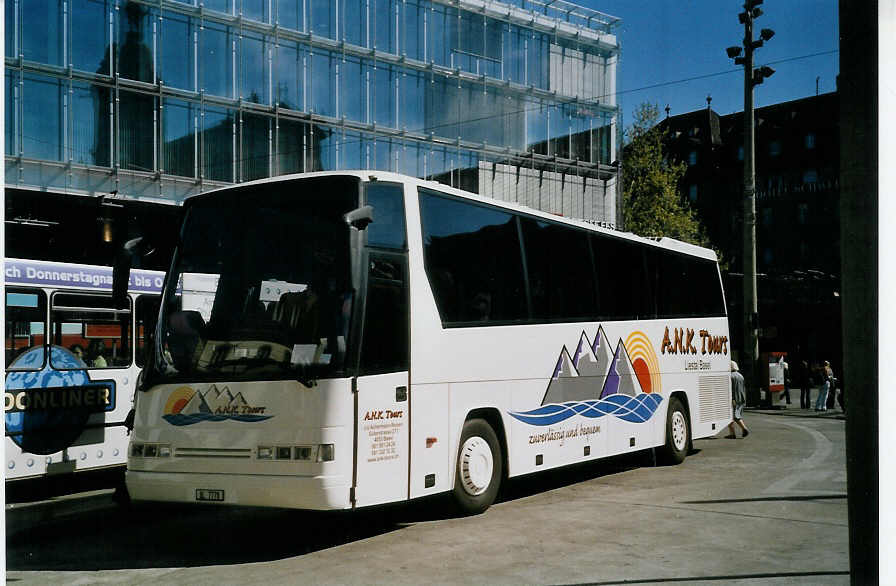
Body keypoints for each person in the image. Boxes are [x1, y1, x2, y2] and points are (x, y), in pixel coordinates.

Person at [725, 360, 750, 439]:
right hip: (741, 397)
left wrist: (732, 399)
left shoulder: (730, 376)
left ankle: (741, 429)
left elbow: (730, 389)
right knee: (736, 415)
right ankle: (733, 433)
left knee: (732, 416)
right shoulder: (740, 375)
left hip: (734, 399)